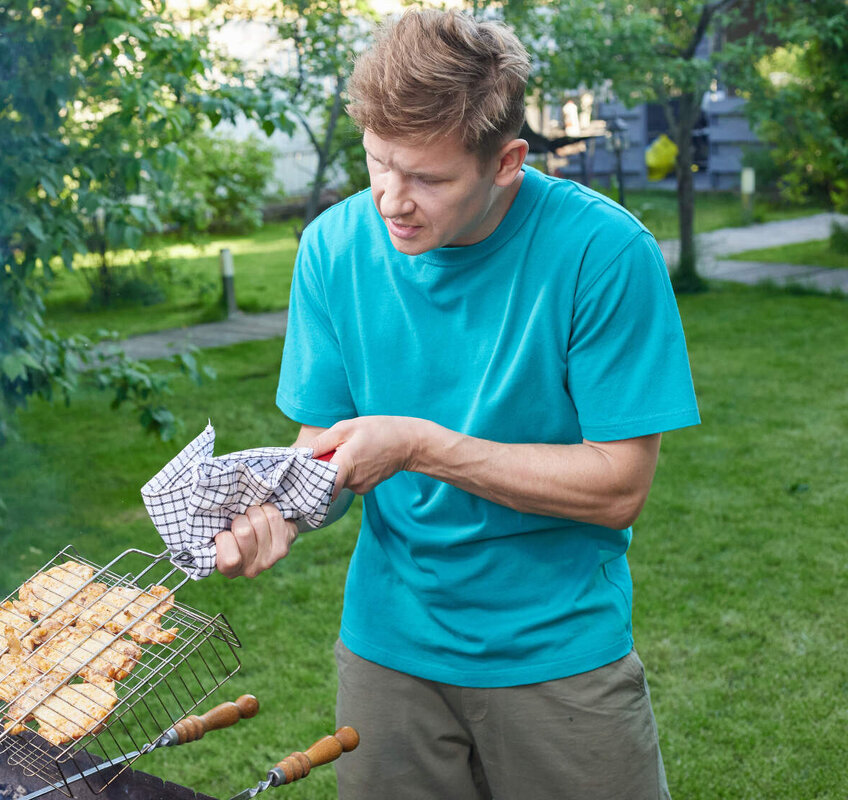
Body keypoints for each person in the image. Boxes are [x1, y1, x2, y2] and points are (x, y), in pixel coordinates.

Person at [213, 8, 700, 800]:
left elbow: (619, 487)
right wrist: (275, 510)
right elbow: (327, 447)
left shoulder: (603, 254)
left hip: (558, 654)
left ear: (508, 161)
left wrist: (417, 445)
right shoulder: (333, 248)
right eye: (378, 163)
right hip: (388, 650)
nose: (391, 201)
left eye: (429, 178)